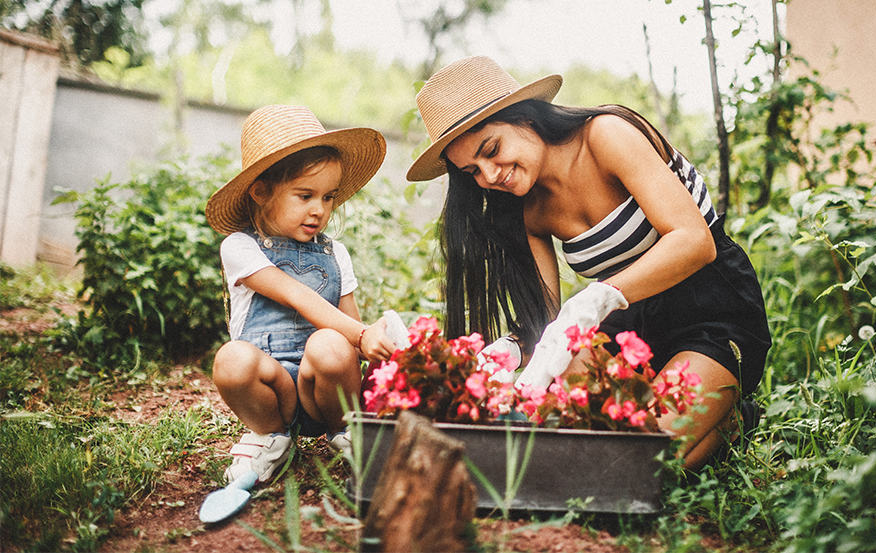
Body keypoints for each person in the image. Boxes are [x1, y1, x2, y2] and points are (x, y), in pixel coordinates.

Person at [406, 56, 771, 469]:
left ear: (525, 117)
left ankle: (732, 420)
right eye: (472, 170)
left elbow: (694, 242)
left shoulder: (605, 135)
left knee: (643, 462)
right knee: (588, 441)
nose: (489, 176)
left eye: (491, 150)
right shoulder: (527, 210)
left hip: (711, 306)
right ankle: (690, 420)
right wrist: (504, 357)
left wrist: (596, 297)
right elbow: (548, 326)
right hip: (631, 323)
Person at [205, 104, 399, 485]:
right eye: (305, 195)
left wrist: (376, 338)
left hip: (321, 394)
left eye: (328, 197)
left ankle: (345, 432)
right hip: (271, 392)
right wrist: (360, 334)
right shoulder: (240, 246)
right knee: (230, 360)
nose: (319, 210)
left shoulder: (335, 254)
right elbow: (294, 293)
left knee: (329, 342)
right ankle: (270, 438)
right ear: (261, 192)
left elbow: (350, 331)